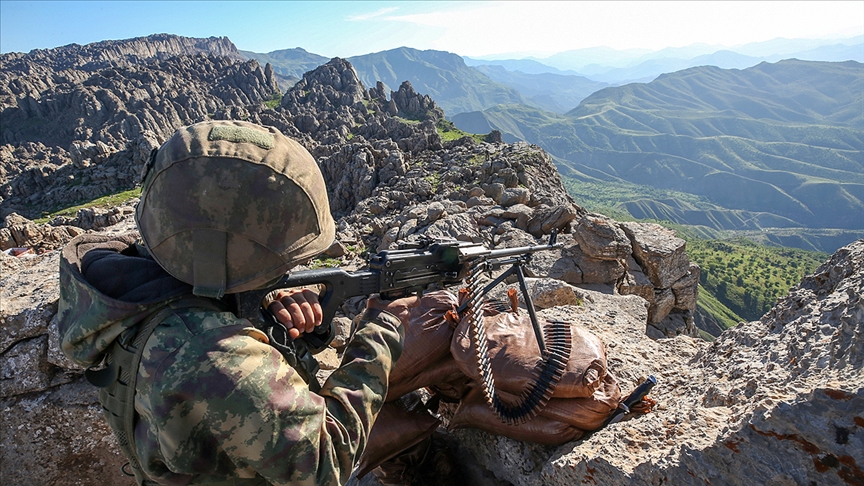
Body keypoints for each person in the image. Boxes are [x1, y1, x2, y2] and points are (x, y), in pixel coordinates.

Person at [57, 120, 416, 485]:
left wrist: (271, 324)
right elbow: (325, 464)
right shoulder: (211, 352)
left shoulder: (135, 285)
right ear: (220, 260)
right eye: (281, 266)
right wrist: (382, 328)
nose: (292, 271)